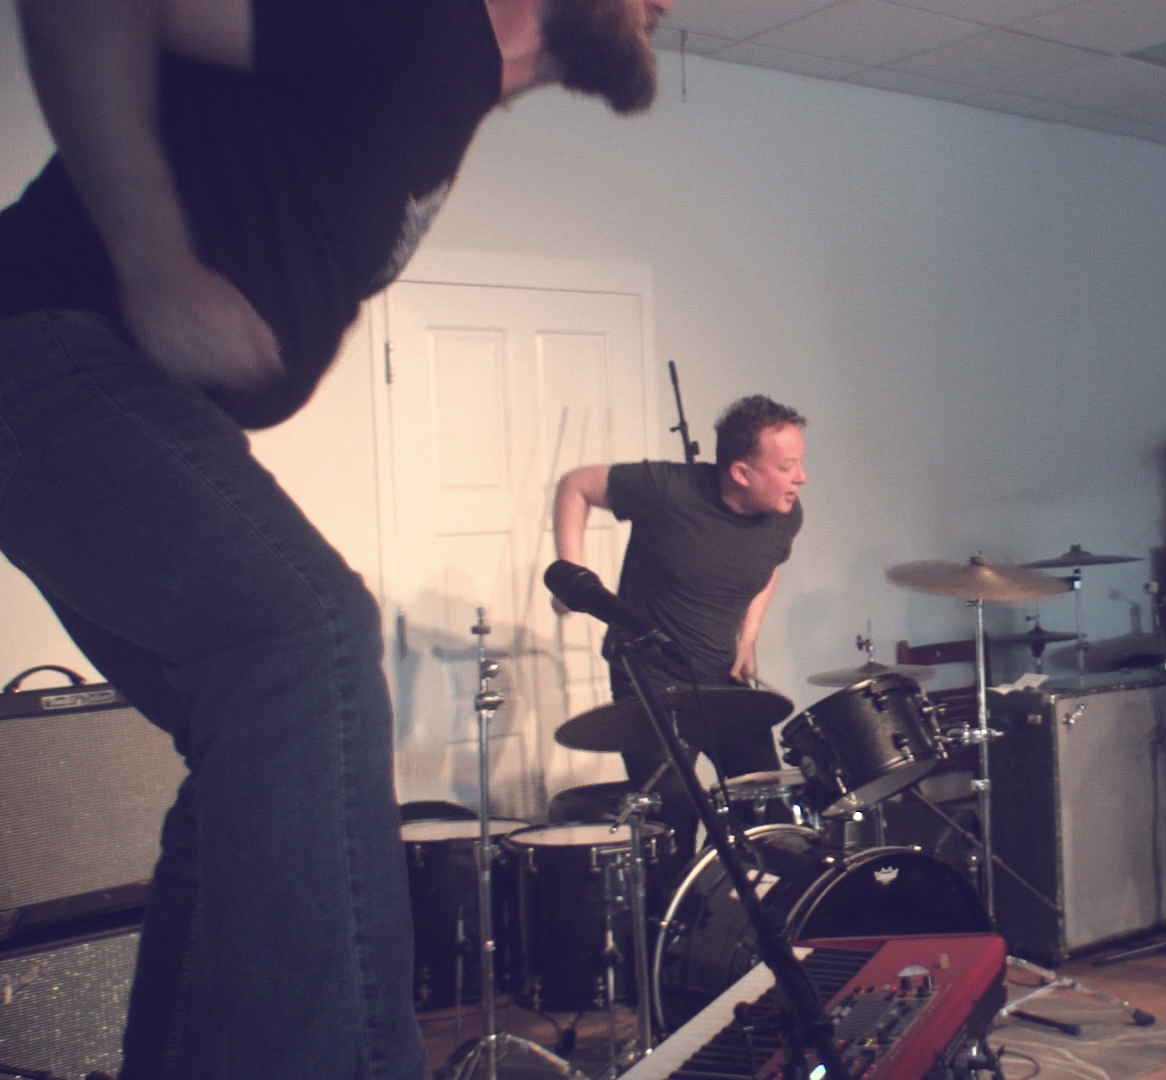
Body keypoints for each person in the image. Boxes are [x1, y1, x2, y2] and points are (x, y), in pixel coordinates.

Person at [0, 0, 670, 1075]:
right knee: (309, 635)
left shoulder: (448, 84)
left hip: (99, 385)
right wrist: (155, 260)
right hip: (49, 350)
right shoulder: (416, 19)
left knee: (252, 765)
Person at [551, 394, 806, 880]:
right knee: (676, 820)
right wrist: (571, 575)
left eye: (800, 463)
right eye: (786, 466)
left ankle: (744, 914)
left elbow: (768, 564)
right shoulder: (667, 490)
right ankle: (672, 920)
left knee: (767, 812)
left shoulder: (785, 514)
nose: (801, 477)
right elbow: (576, 485)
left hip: (722, 682)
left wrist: (749, 636)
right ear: (741, 472)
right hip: (650, 682)